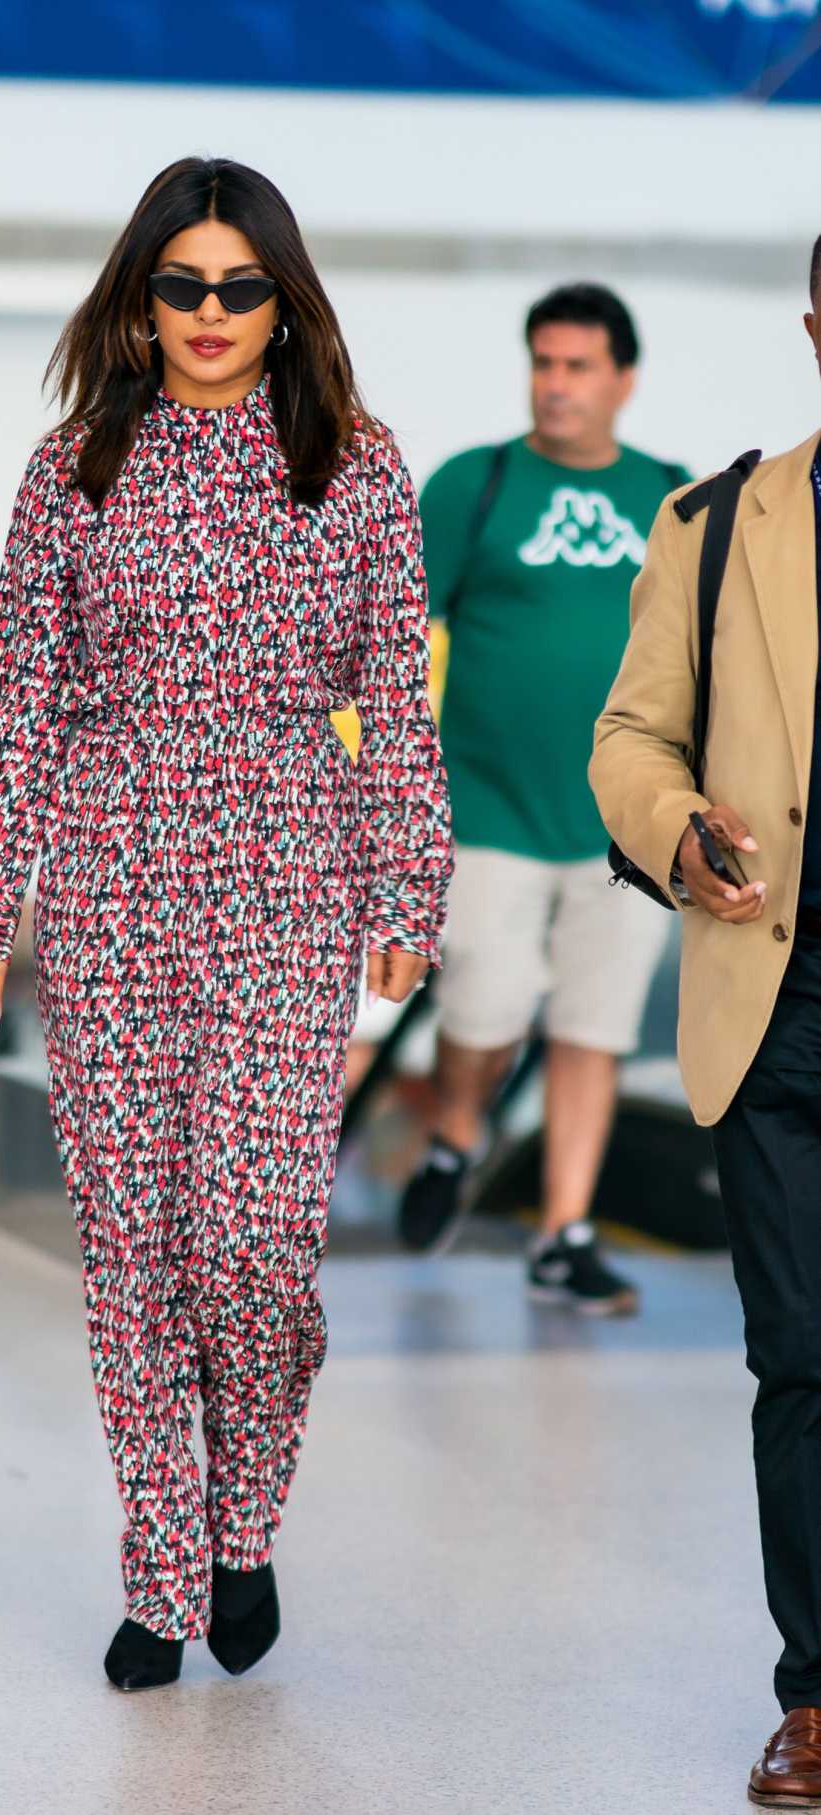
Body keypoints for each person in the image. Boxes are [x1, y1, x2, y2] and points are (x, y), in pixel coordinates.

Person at [0, 156, 452, 1692]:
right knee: (130, 1251)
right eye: (182, 283)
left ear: (282, 298)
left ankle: (249, 1514)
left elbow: (399, 707)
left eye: (241, 284)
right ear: (140, 295)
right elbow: (21, 710)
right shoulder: (73, 468)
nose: (212, 312)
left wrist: (405, 886)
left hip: (289, 887)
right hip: (106, 889)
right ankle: (165, 1568)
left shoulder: (355, 466)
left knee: (251, 1241)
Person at [590, 236, 821, 1807]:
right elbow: (628, 734)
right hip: (778, 1007)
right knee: (803, 1357)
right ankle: (815, 1700)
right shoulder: (721, 523)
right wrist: (670, 827)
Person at [396, 283, 690, 1315]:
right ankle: (455, 1131)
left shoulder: (670, 498)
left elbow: (709, 653)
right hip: (482, 807)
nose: (555, 384)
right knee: (486, 996)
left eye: (576, 366)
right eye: (543, 363)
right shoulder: (473, 486)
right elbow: (394, 640)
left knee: (593, 1027)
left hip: (626, 819)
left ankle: (561, 1233)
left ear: (621, 379)